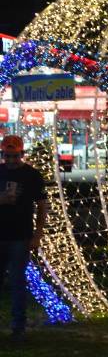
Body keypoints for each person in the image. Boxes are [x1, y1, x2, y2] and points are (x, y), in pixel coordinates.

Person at [0, 135, 48, 342]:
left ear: (22, 154)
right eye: (6, 156)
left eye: (14, 156)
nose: (10, 160)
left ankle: (18, 326)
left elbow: (42, 205)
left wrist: (37, 235)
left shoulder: (32, 175)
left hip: (20, 235)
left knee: (18, 281)